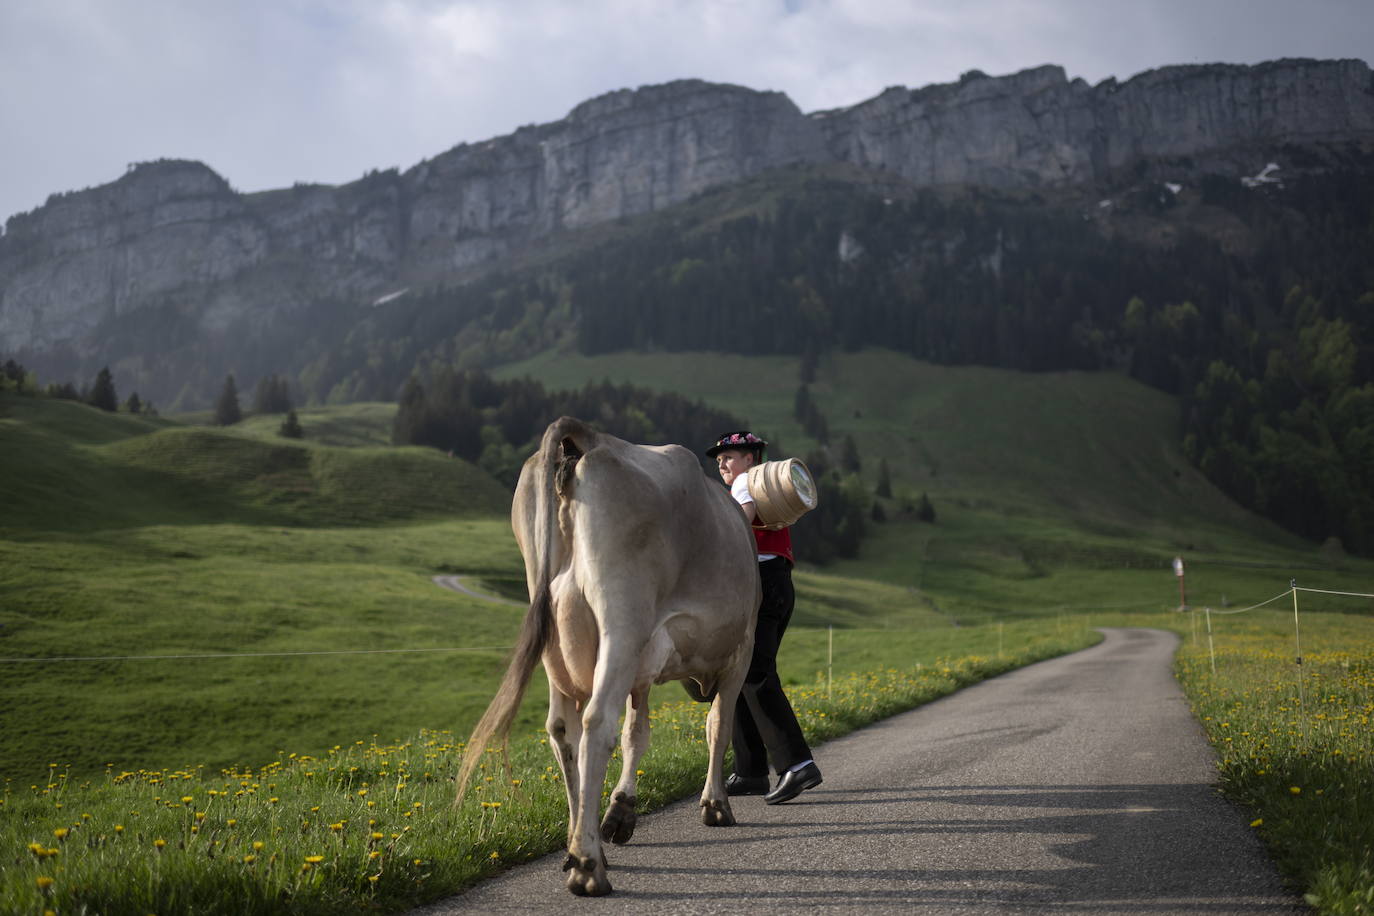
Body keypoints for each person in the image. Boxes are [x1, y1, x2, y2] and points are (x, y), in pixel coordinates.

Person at [706, 430, 823, 805]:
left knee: (754, 672)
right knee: (738, 675)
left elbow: (739, 528)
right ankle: (750, 770)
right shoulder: (756, 484)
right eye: (719, 458)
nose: (722, 462)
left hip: (760, 583)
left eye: (731, 455)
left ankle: (797, 763)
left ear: (751, 459)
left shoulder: (744, 484)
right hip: (777, 583)